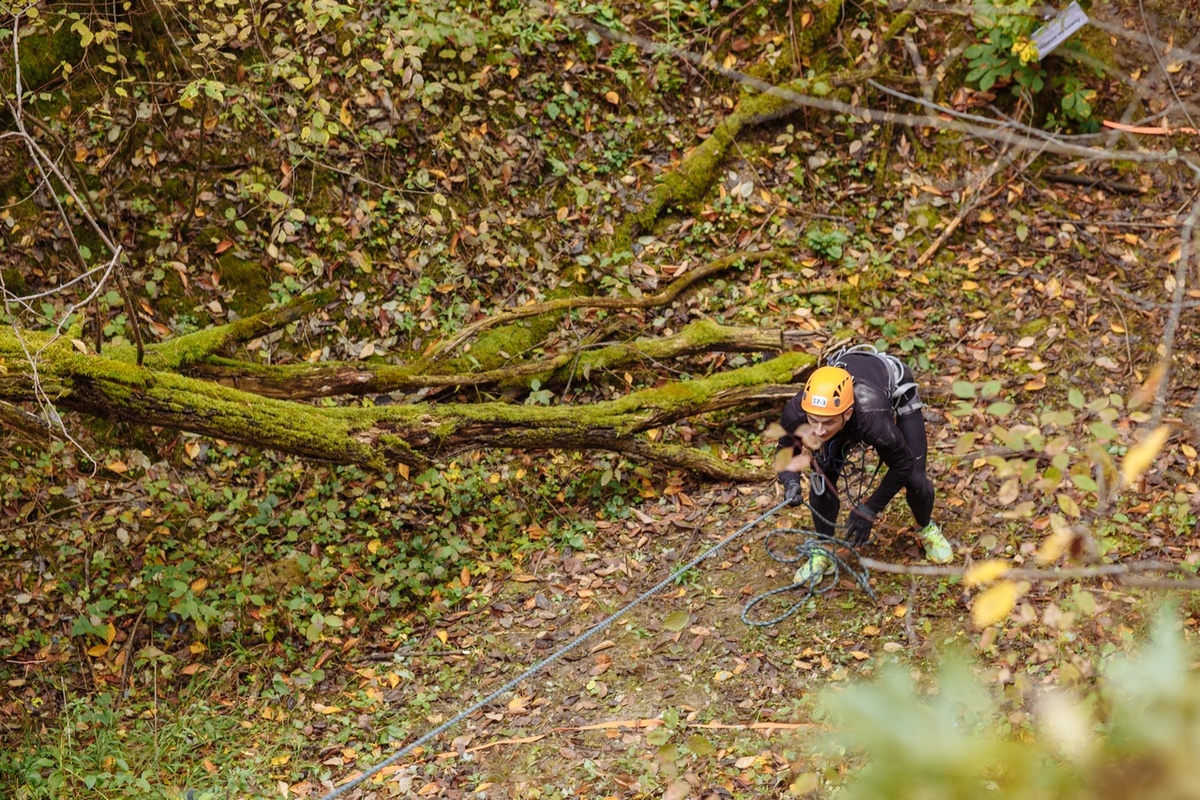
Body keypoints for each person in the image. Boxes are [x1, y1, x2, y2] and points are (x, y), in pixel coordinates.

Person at [776, 345, 952, 584]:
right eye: (813, 420)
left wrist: (869, 510)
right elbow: (787, 448)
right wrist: (790, 482)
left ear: (847, 414)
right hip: (844, 409)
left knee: (915, 479)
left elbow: (903, 464)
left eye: (826, 423)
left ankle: (926, 527)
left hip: (893, 389)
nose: (818, 430)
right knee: (822, 477)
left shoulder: (872, 417)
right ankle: (824, 549)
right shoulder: (799, 410)